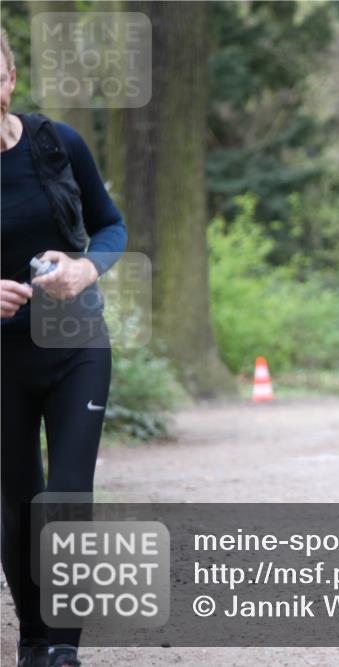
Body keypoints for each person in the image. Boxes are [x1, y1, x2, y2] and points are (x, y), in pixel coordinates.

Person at [1, 29, 127, 667]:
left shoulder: (56, 143)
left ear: (10, 78)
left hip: (76, 341)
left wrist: (86, 268)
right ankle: (33, 636)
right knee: (19, 502)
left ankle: (63, 647)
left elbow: (110, 225)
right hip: (3, 360)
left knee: (69, 491)